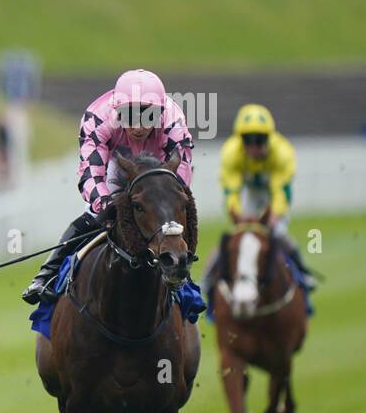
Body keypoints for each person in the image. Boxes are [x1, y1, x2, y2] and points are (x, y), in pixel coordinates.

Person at [22, 69, 195, 305]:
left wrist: (167, 201)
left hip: (158, 168)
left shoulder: (174, 121)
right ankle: (47, 274)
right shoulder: (98, 117)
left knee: (174, 215)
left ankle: (183, 273)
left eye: (148, 116)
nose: (138, 126)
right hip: (117, 161)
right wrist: (106, 205)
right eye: (129, 116)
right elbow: (91, 172)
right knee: (94, 215)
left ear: (160, 112)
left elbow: (181, 175)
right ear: (117, 111)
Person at [212, 103, 314, 286]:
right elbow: (231, 191)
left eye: (259, 140)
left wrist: (274, 216)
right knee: (237, 235)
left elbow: (281, 192)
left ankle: (302, 271)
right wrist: (236, 215)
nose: (253, 146)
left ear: (269, 138)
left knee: (278, 233)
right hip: (249, 193)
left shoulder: (283, 152)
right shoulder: (230, 152)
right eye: (247, 140)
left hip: (272, 195)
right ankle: (209, 278)